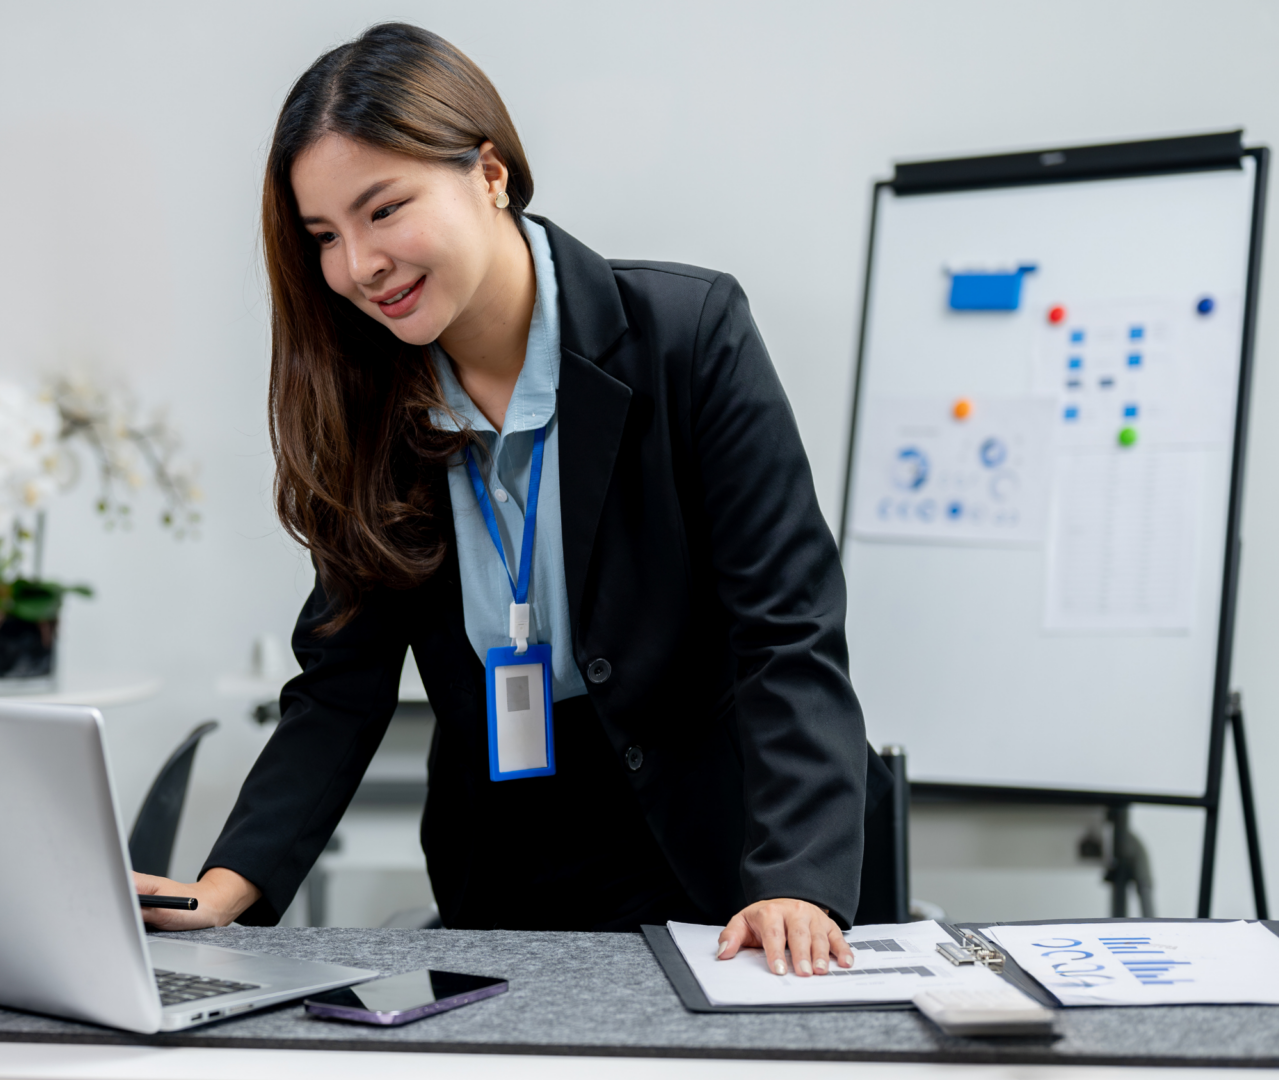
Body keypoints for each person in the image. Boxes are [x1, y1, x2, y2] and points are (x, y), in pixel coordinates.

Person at [136, 22, 874, 979]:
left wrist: (797, 879)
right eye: (325, 236)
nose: (359, 265)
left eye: (384, 209)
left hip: (717, 871)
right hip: (502, 879)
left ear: (490, 173)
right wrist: (233, 879)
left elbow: (788, 630)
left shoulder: (689, 337)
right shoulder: (372, 402)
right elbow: (341, 681)